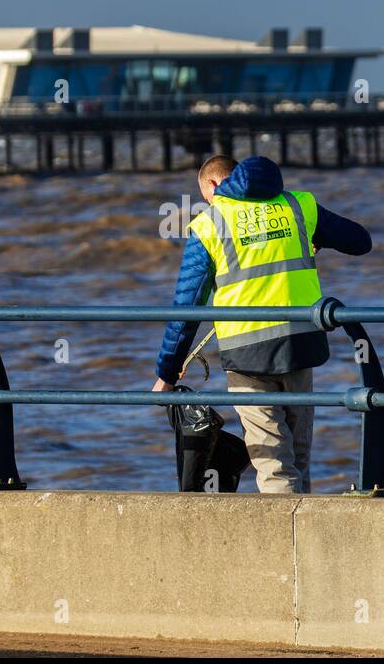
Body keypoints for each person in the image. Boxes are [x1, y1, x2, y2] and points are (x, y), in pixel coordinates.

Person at [152, 155, 372, 493]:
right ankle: (304, 537)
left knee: (273, 463)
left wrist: (167, 373)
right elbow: (360, 242)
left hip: (247, 354)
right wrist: (315, 237)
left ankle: (284, 543)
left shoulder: (211, 224)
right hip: (302, 344)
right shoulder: (298, 206)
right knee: (298, 459)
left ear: (213, 184)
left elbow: (186, 308)